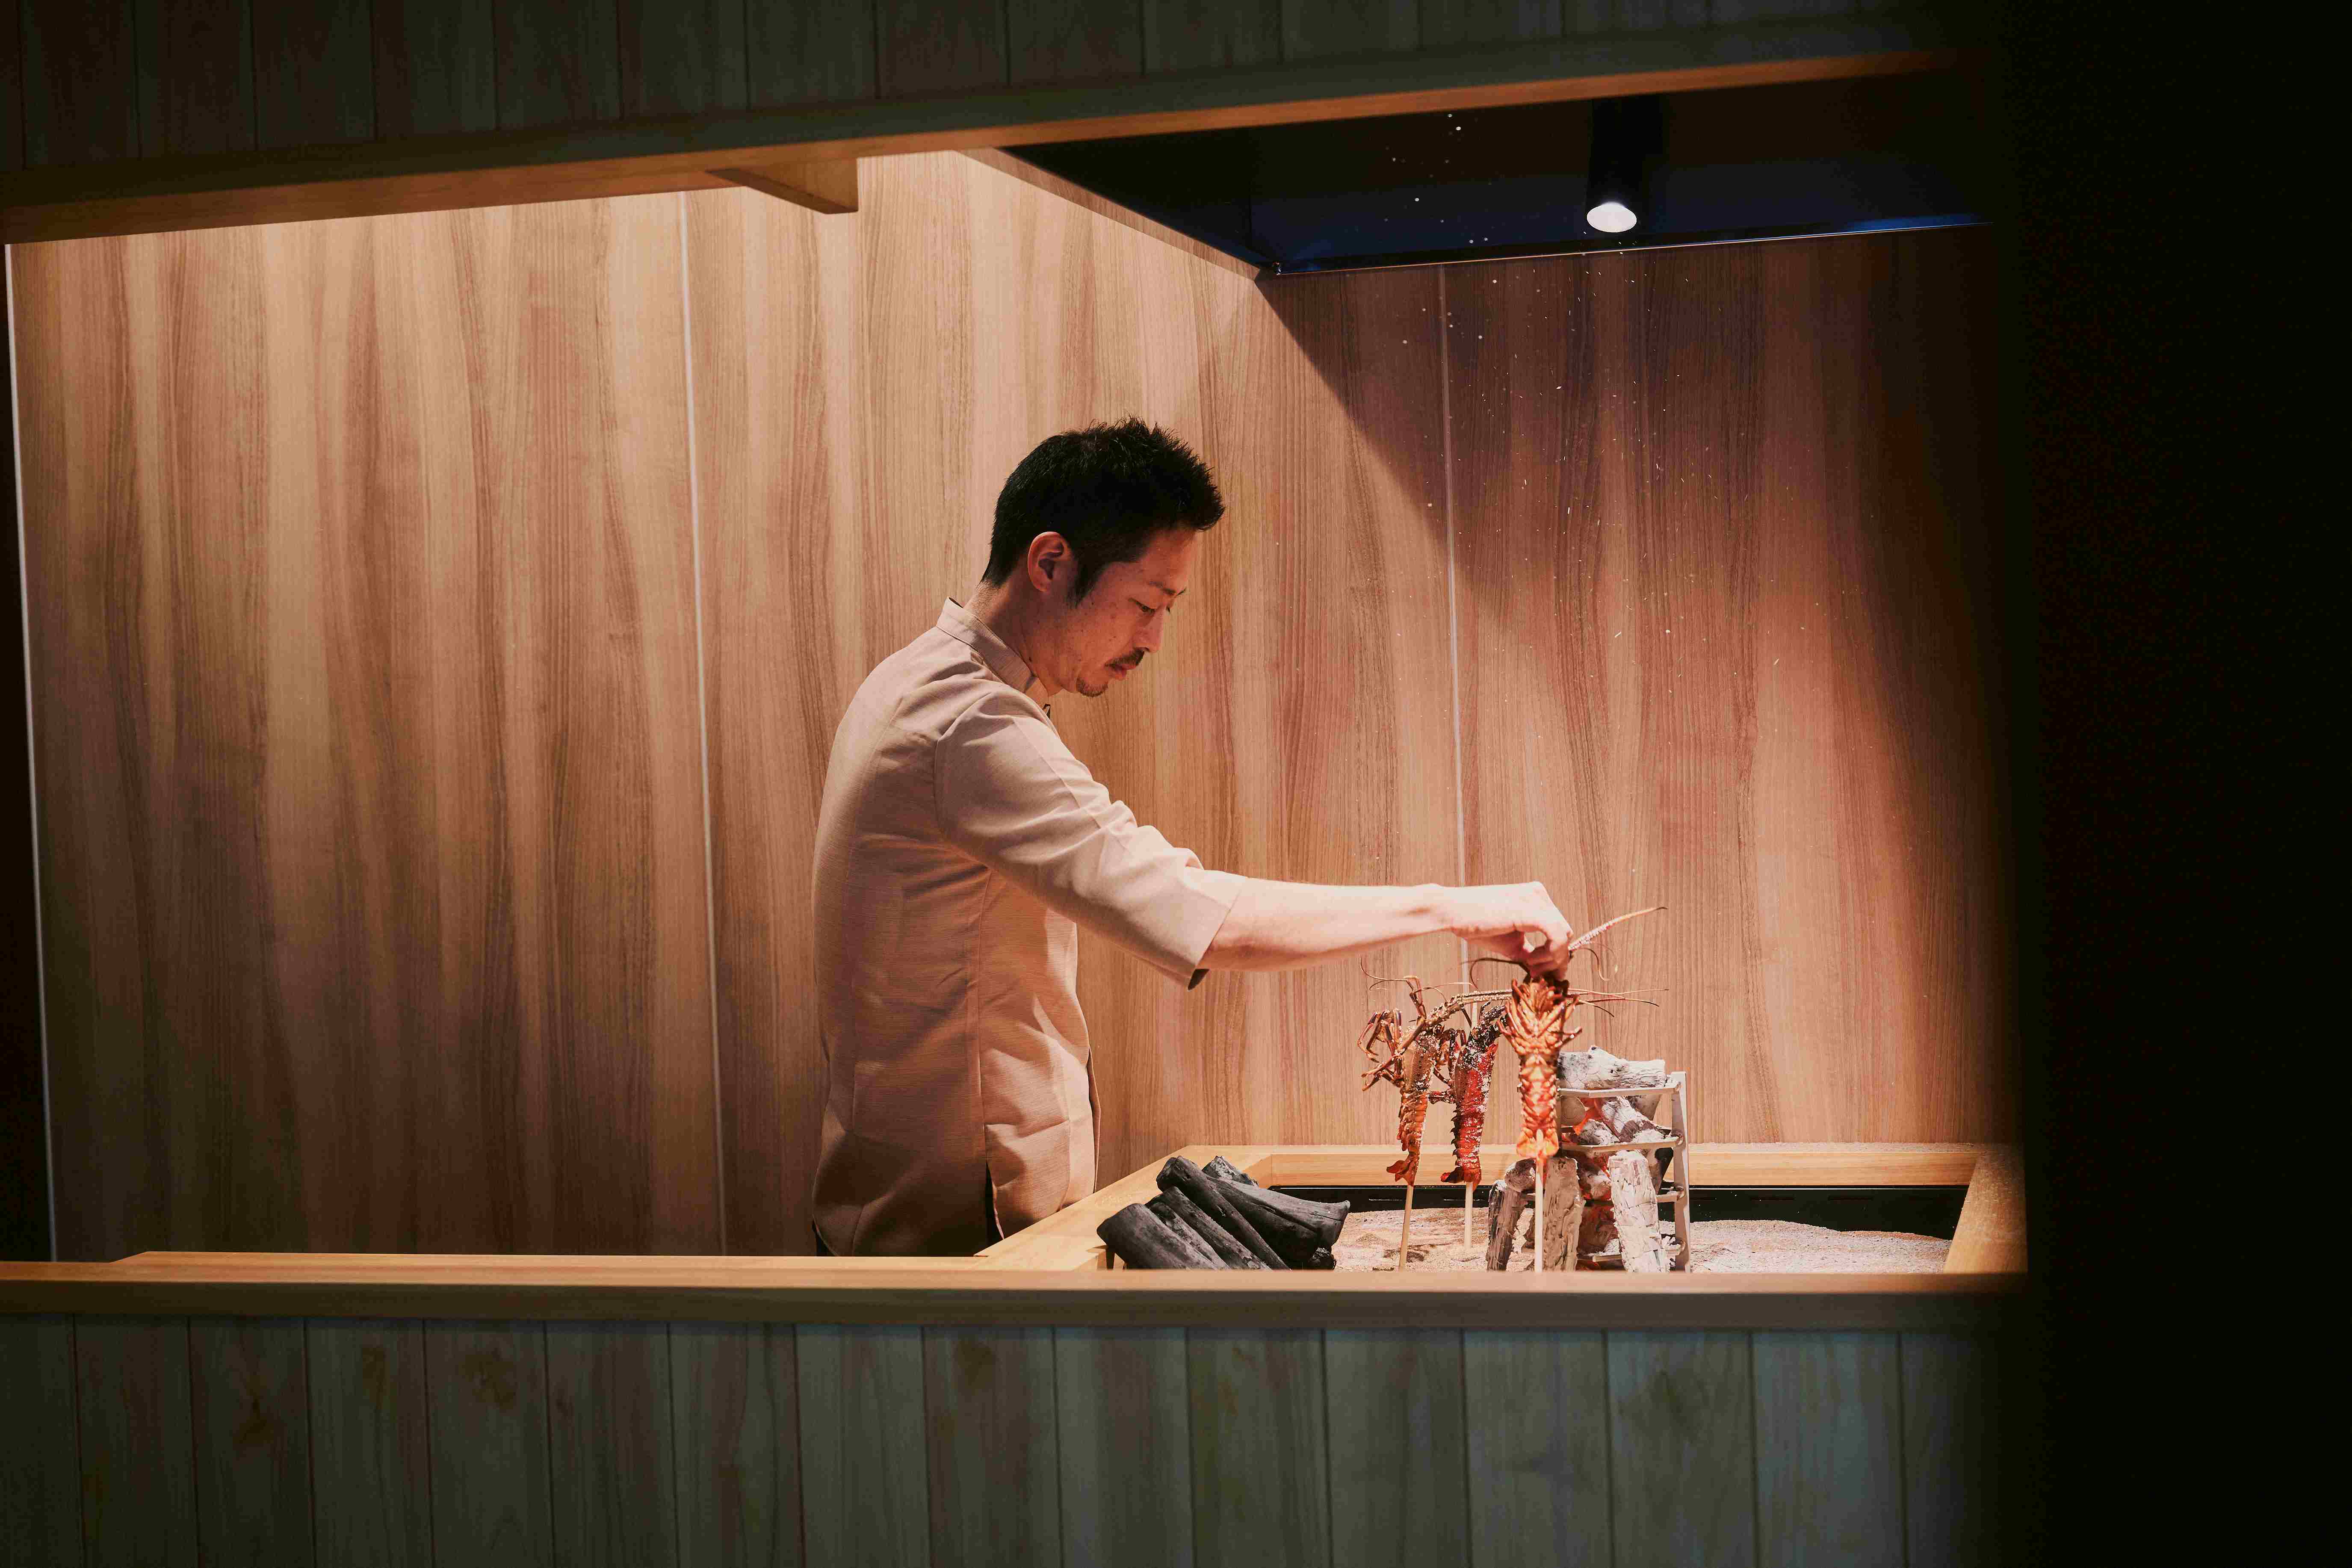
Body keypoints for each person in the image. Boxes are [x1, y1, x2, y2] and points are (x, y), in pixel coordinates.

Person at [810, 419, 1571, 1255]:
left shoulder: (922, 682)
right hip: (954, 1238)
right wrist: (1448, 908)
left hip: (922, 1209)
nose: (1153, 640)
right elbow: (1201, 915)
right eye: (1145, 605)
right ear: (1050, 563)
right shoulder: (969, 725)